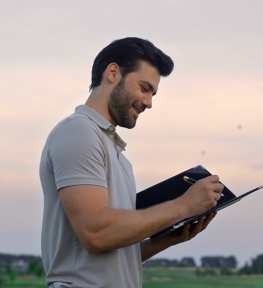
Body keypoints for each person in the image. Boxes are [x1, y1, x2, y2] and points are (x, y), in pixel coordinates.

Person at [39, 37, 224, 288]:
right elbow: (96, 234)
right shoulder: (78, 131)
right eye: (144, 88)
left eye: (153, 93)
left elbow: (115, 254)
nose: (149, 102)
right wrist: (183, 206)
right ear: (113, 73)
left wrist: (168, 239)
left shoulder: (119, 157)